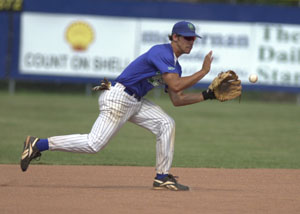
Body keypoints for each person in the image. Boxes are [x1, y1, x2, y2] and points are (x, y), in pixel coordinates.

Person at [20, 20, 216, 191]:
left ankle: (162, 177)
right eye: (187, 38)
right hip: (119, 98)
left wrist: (208, 95)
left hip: (135, 101)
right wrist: (204, 71)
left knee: (166, 123)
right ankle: (38, 144)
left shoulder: (175, 66)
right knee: (94, 144)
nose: (191, 42)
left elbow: (178, 99)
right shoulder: (162, 51)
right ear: (175, 37)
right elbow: (175, 84)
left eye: (193, 39)